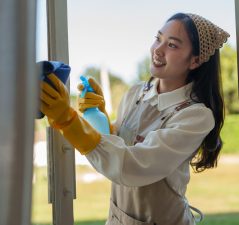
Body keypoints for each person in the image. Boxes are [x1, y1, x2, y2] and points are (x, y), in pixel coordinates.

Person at [40, 12, 229, 225]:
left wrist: (68, 120)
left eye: (172, 45)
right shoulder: (136, 93)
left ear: (195, 60)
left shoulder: (195, 116)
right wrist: (99, 117)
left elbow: (131, 165)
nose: (158, 50)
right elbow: (118, 145)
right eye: (158, 39)